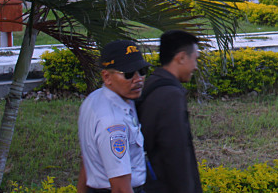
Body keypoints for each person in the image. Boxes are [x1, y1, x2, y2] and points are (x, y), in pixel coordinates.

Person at [78, 40, 150, 193]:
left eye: (142, 71)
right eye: (129, 74)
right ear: (107, 77)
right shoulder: (113, 122)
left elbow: (87, 161)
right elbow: (120, 188)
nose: (138, 79)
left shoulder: (95, 99)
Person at [137, 31, 203, 193]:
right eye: (194, 59)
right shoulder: (170, 95)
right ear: (181, 58)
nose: (195, 66)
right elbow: (175, 153)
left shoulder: (152, 83)